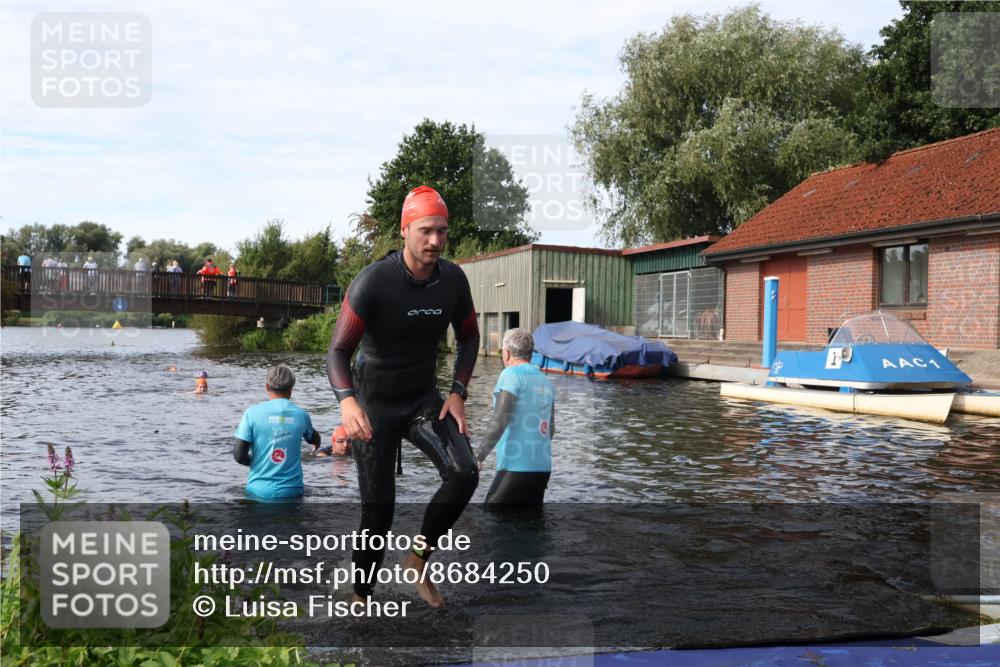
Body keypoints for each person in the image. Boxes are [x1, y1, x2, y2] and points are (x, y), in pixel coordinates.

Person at [326, 185, 480, 608]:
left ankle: (418, 559)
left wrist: (458, 393)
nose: (435, 241)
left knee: (465, 473)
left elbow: (469, 338)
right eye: (426, 231)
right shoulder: (374, 282)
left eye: (442, 231)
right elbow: (338, 351)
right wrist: (347, 401)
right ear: (405, 230)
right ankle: (361, 596)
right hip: (372, 407)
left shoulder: (452, 280)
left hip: (422, 401)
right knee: (378, 514)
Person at [476, 328, 555, 508]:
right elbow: (551, 429)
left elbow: (501, 419)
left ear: (507, 353)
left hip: (515, 467)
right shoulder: (546, 381)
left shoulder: (510, 375)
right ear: (530, 353)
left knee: (493, 521)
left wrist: (479, 457)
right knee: (530, 527)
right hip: (542, 469)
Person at [233, 364, 321, 500]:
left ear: (267, 387)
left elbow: (239, 455)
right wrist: (315, 446)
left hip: (258, 491)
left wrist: (256, 463)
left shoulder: (251, 413)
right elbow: (314, 439)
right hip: (292, 491)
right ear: (291, 389)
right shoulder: (301, 415)